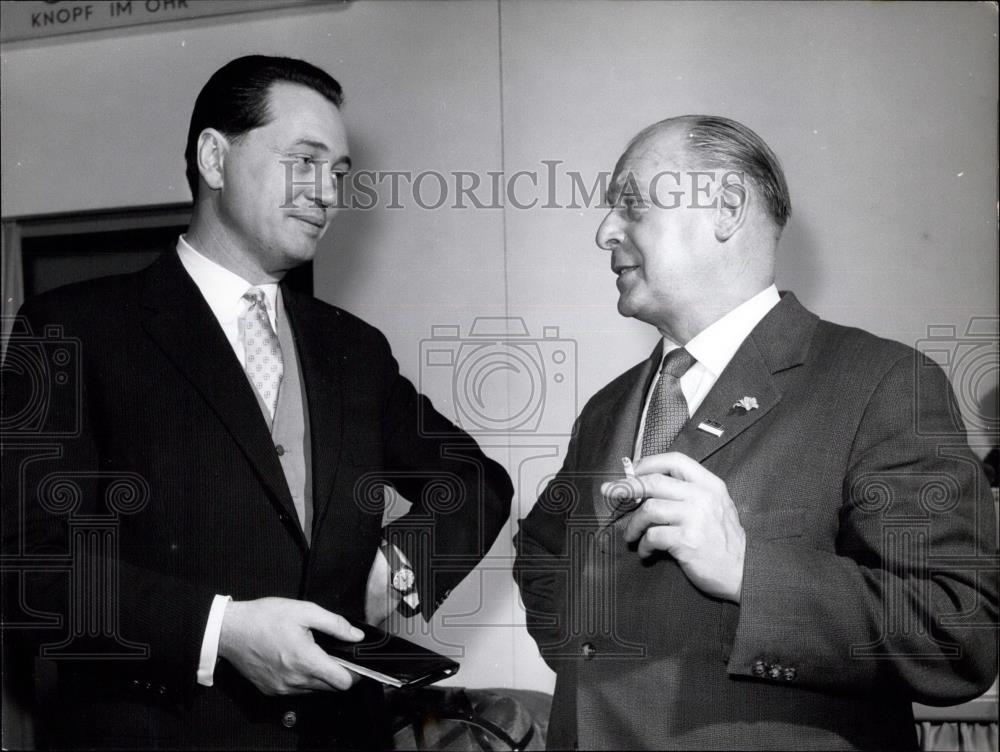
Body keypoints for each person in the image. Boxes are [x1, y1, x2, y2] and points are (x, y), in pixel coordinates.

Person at [1, 55, 512, 750]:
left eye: (338, 171)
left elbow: (474, 481)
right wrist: (220, 631)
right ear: (215, 157)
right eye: (304, 160)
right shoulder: (73, 330)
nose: (327, 191)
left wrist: (403, 563)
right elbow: (30, 567)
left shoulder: (353, 350)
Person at [513, 115, 998, 750]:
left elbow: (960, 632)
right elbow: (544, 555)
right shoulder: (609, 406)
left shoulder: (883, 382)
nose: (605, 230)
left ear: (727, 208)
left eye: (631, 204)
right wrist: (592, 669)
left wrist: (748, 570)